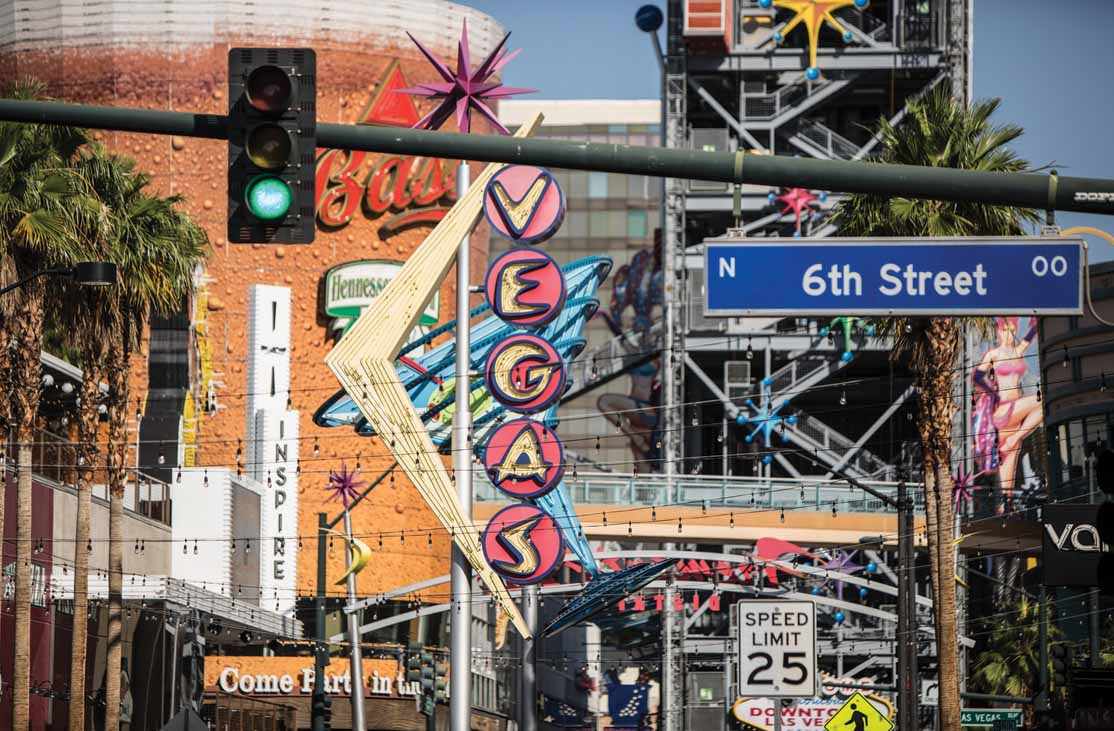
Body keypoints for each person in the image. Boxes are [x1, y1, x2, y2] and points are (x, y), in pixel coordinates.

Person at [972, 317, 1042, 506]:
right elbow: (978, 375)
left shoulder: (1017, 352)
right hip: (1005, 409)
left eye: (1012, 330)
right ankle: (1015, 438)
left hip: (1013, 417)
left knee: (1007, 484)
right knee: (1041, 403)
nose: (1009, 334)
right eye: (1005, 330)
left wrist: (1037, 320)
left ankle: (1005, 513)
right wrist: (992, 392)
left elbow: (1030, 335)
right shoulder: (994, 354)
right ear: (999, 331)